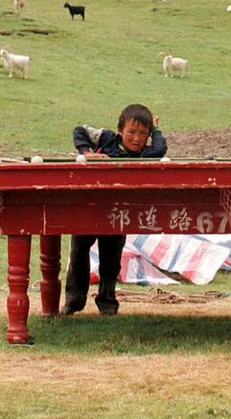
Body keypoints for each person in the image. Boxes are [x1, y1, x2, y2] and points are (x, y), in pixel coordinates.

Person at [62, 103, 167, 316]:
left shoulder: (146, 154)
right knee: (78, 255)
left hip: (118, 214)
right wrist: (87, 152)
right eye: (131, 132)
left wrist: (156, 130)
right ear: (120, 130)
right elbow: (79, 130)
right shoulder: (106, 138)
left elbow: (160, 148)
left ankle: (107, 303)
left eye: (143, 134)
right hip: (88, 207)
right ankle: (74, 301)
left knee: (111, 261)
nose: (137, 139)